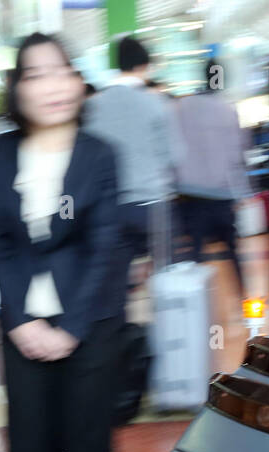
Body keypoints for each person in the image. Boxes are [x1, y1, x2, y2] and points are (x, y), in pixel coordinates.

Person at [0, 32, 123, 452]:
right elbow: (1, 241)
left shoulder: (100, 153)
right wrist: (19, 319)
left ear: (78, 81)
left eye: (62, 71)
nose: (52, 85)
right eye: (35, 74)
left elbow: (106, 245)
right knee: (29, 443)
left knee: (87, 444)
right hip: (21, 323)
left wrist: (70, 328)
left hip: (89, 325)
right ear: (17, 89)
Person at [84, 35, 181, 279]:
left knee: (115, 286)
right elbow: (175, 155)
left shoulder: (94, 106)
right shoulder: (156, 103)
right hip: (152, 206)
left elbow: (87, 158)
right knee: (166, 280)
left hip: (111, 208)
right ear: (143, 66)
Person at [174, 59, 250, 294]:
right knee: (233, 251)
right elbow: (237, 156)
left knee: (195, 253)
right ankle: (244, 298)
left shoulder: (183, 107)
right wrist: (242, 193)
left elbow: (174, 149)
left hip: (191, 195)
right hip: (222, 195)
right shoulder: (228, 110)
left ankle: (194, 302)